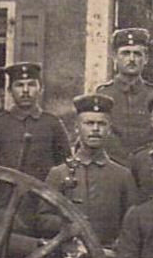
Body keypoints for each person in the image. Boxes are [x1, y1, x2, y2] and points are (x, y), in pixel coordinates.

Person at [42, 93, 139, 248]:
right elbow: (43, 218)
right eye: (89, 123)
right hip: (67, 256)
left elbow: (133, 221)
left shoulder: (122, 176)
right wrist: (70, 225)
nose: (95, 129)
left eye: (101, 124)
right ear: (76, 128)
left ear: (109, 129)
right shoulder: (59, 173)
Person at [0, 62, 72, 181]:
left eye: (31, 85)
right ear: (9, 90)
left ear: (41, 89)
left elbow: (65, 167)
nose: (26, 90)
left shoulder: (52, 124)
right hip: (4, 197)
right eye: (19, 85)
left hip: (42, 196)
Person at [95, 27, 153, 162]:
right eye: (125, 53)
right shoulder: (103, 94)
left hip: (147, 165)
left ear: (146, 58)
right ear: (114, 57)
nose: (131, 59)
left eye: (137, 54)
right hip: (113, 167)